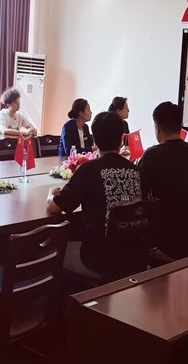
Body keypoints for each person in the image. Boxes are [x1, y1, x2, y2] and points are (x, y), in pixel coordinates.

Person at [47, 111, 142, 274]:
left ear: (95, 140)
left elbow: (55, 207)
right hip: (134, 257)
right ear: (121, 139)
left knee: (52, 251)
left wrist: (51, 194)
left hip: (99, 261)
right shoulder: (135, 170)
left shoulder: (89, 169)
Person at [139, 101, 188, 257]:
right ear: (180, 127)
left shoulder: (151, 155)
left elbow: (139, 193)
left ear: (157, 129)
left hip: (166, 239)